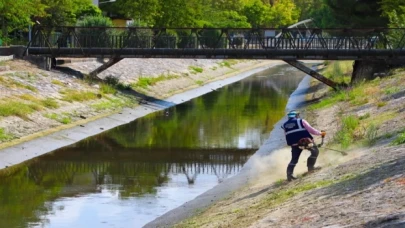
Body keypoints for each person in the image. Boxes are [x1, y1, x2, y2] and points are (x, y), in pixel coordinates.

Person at [282, 110, 326, 181]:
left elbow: (286, 135)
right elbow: (311, 130)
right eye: (298, 115)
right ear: (296, 116)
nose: (298, 116)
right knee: (315, 152)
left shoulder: (284, 125)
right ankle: (310, 168)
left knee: (294, 159)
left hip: (294, 144)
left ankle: (289, 175)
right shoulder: (301, 121)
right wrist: (321, 133)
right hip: (306, 142)